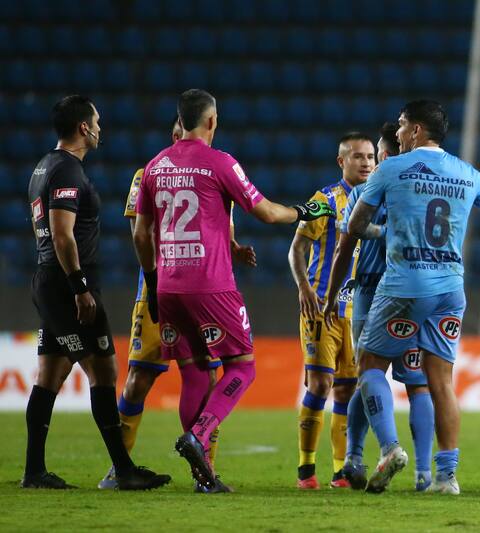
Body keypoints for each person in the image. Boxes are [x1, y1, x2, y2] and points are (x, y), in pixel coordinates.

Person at [133, 89, 334, 490]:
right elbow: (267, 212)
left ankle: (204, 476)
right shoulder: (219, 162)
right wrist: (306, 211)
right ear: (211, 121)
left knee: (195, 374)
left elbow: (141, 234)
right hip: (210, 286)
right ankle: (198, 435)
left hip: (169, 286)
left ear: (180, 120)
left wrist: (154, 284)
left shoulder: (154, 166)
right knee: (243, 366)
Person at [347, 100, 480, 495]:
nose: (397, 133)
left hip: (404, 286)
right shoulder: (468, 173)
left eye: (401, 125)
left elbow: (357, 225)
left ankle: (390, 449)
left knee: (370, 364)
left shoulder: (391, 168)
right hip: (450, 290)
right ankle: (446, 477)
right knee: (441, 381)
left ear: (415, 130)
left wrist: (384, 231)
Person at [98, 117, 257, 493]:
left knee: (203, 376)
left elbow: (217, 226)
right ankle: (119, 467)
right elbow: (140, 232)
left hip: (184, 289)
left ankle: (205, 473)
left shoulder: (208, 173)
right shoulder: (149, 173)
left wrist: (233, 249)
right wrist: (153, 281)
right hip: (157, 291)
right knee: (139, 379)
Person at [23, 94, 171, 490]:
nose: (101, 128)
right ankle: (124, 470)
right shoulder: (67, 170)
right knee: (103, 369)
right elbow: (62, 234)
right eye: (97, 122)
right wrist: (79, 288)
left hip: (51, 282)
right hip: (67, 286)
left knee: (50, 373)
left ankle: (34, 471)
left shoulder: (44, 166)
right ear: (84, 128)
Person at [322, 122, 435, 492]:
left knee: (368, 373)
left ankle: (366, 453)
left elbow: (344, 247)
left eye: (374, 156)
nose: (370, 163)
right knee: (418, 384)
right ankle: (424, 473)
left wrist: (331, 294)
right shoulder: (423, 191)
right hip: (420, 290)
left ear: (384, 155)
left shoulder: (365, 192)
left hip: (372, 291)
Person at [288, 132, 376, 489]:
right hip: (321, 308)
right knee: (321, 384)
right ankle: (306, 469)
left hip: (357, 311)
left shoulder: (375, 201)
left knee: (347, 390)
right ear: (342, 161)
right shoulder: (323, 200)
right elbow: (296, 248)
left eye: (370, 156)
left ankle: (340, 471)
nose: (366, 162)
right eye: (358, 156)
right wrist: (304, 287)